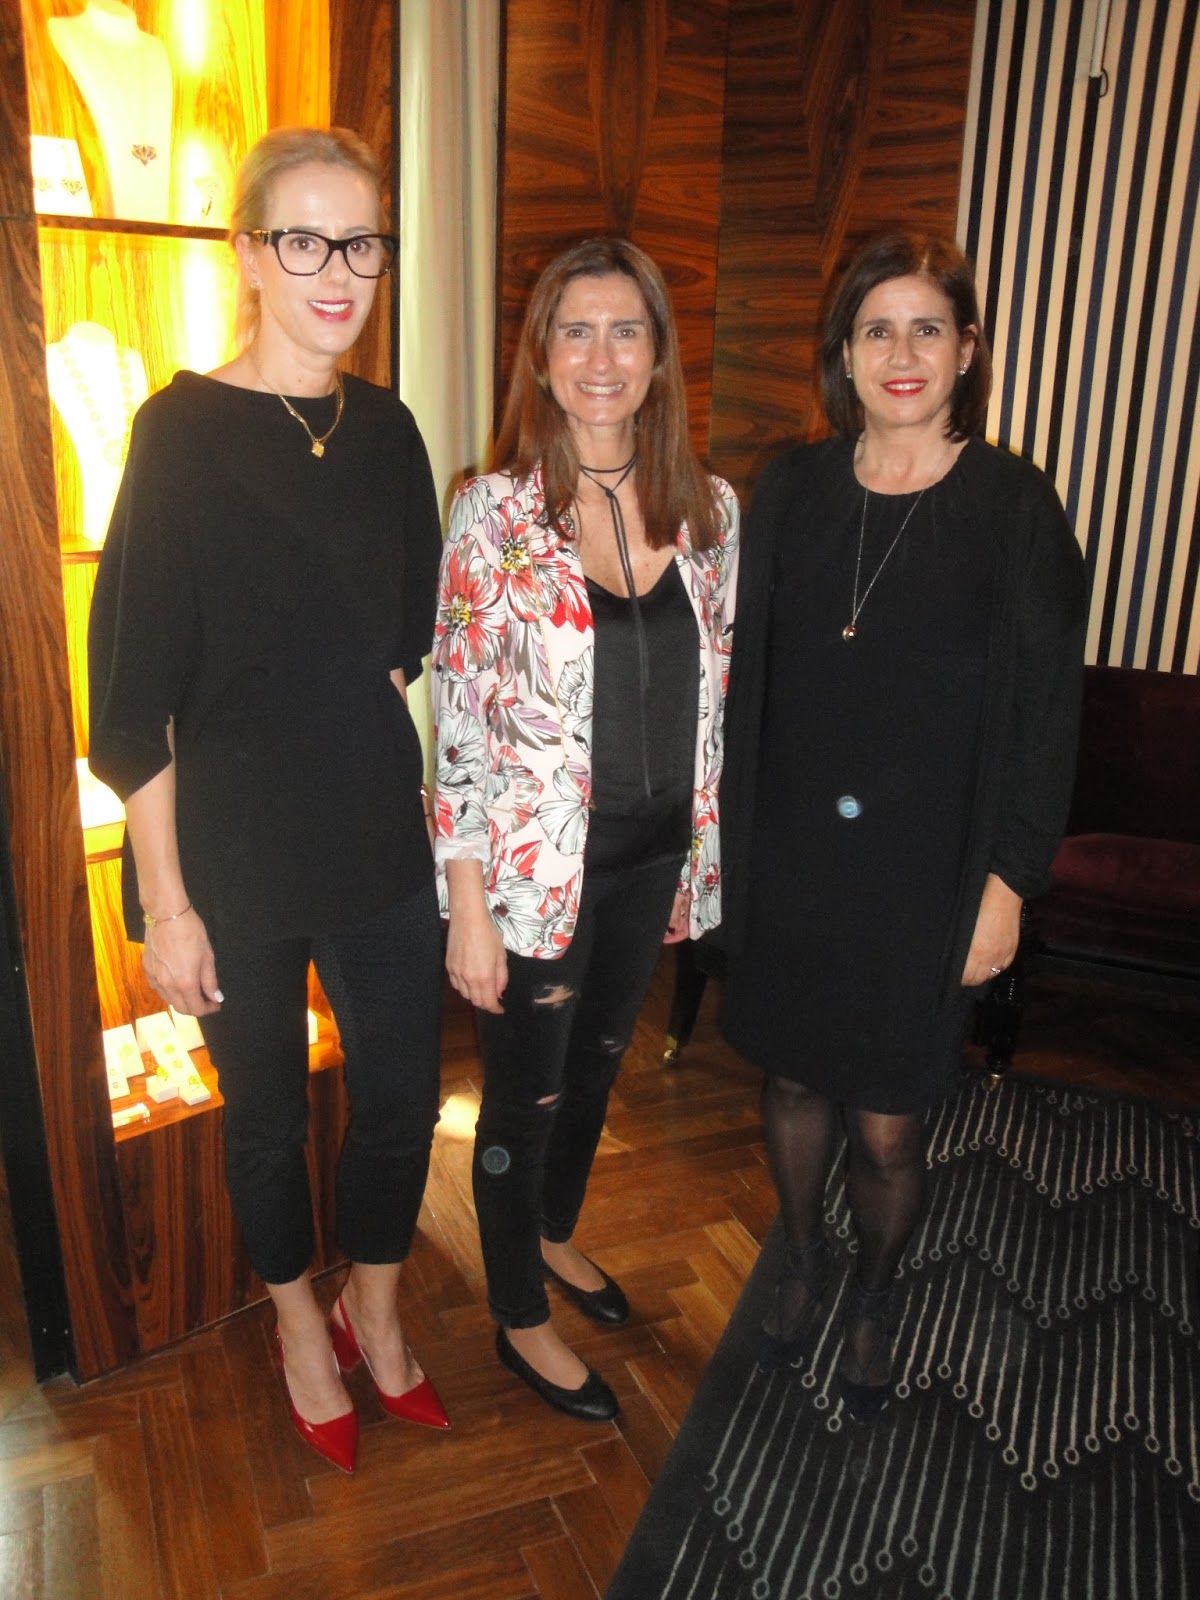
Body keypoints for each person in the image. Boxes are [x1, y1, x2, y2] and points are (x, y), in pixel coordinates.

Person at [88, 127, 449, 1475]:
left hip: (375, 833)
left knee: (404, 1094)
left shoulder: (388, 430)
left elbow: (405, 643)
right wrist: (167, 904)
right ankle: (300, 1323)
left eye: (360, 241)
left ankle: (376, 1305)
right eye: (303, 240)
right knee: (267, 1120)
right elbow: (134, 700)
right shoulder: (178, 434)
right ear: (248, 255)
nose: (337, 270)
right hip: (233, 856)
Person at [720, 231, 1086, 1423]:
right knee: (791, 1079)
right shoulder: (791, 488)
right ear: (843, 354)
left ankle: (875, 1292)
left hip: (926, 875)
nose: (902, 351)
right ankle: (803, 1260)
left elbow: (1048, 716)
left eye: (928, 326)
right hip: (793, 856)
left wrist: (1008, 884)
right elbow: (737, 669)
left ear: (967, 349)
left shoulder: (1015, 507)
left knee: (887, 1124)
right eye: (876, 328)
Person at [432, 237, 739, 1422]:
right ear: (543, 356)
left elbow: (717, 692)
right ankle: (518, 1312)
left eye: (625, 331)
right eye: (576, 330)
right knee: (524, 1097)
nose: (601, 357)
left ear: (658, 355)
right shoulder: (493, 512)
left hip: (654, 856)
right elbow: (460, 716)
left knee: (600, 1065)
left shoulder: (711, 511)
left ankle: (554, 1231)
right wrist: (466, 901)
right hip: (531, 876)